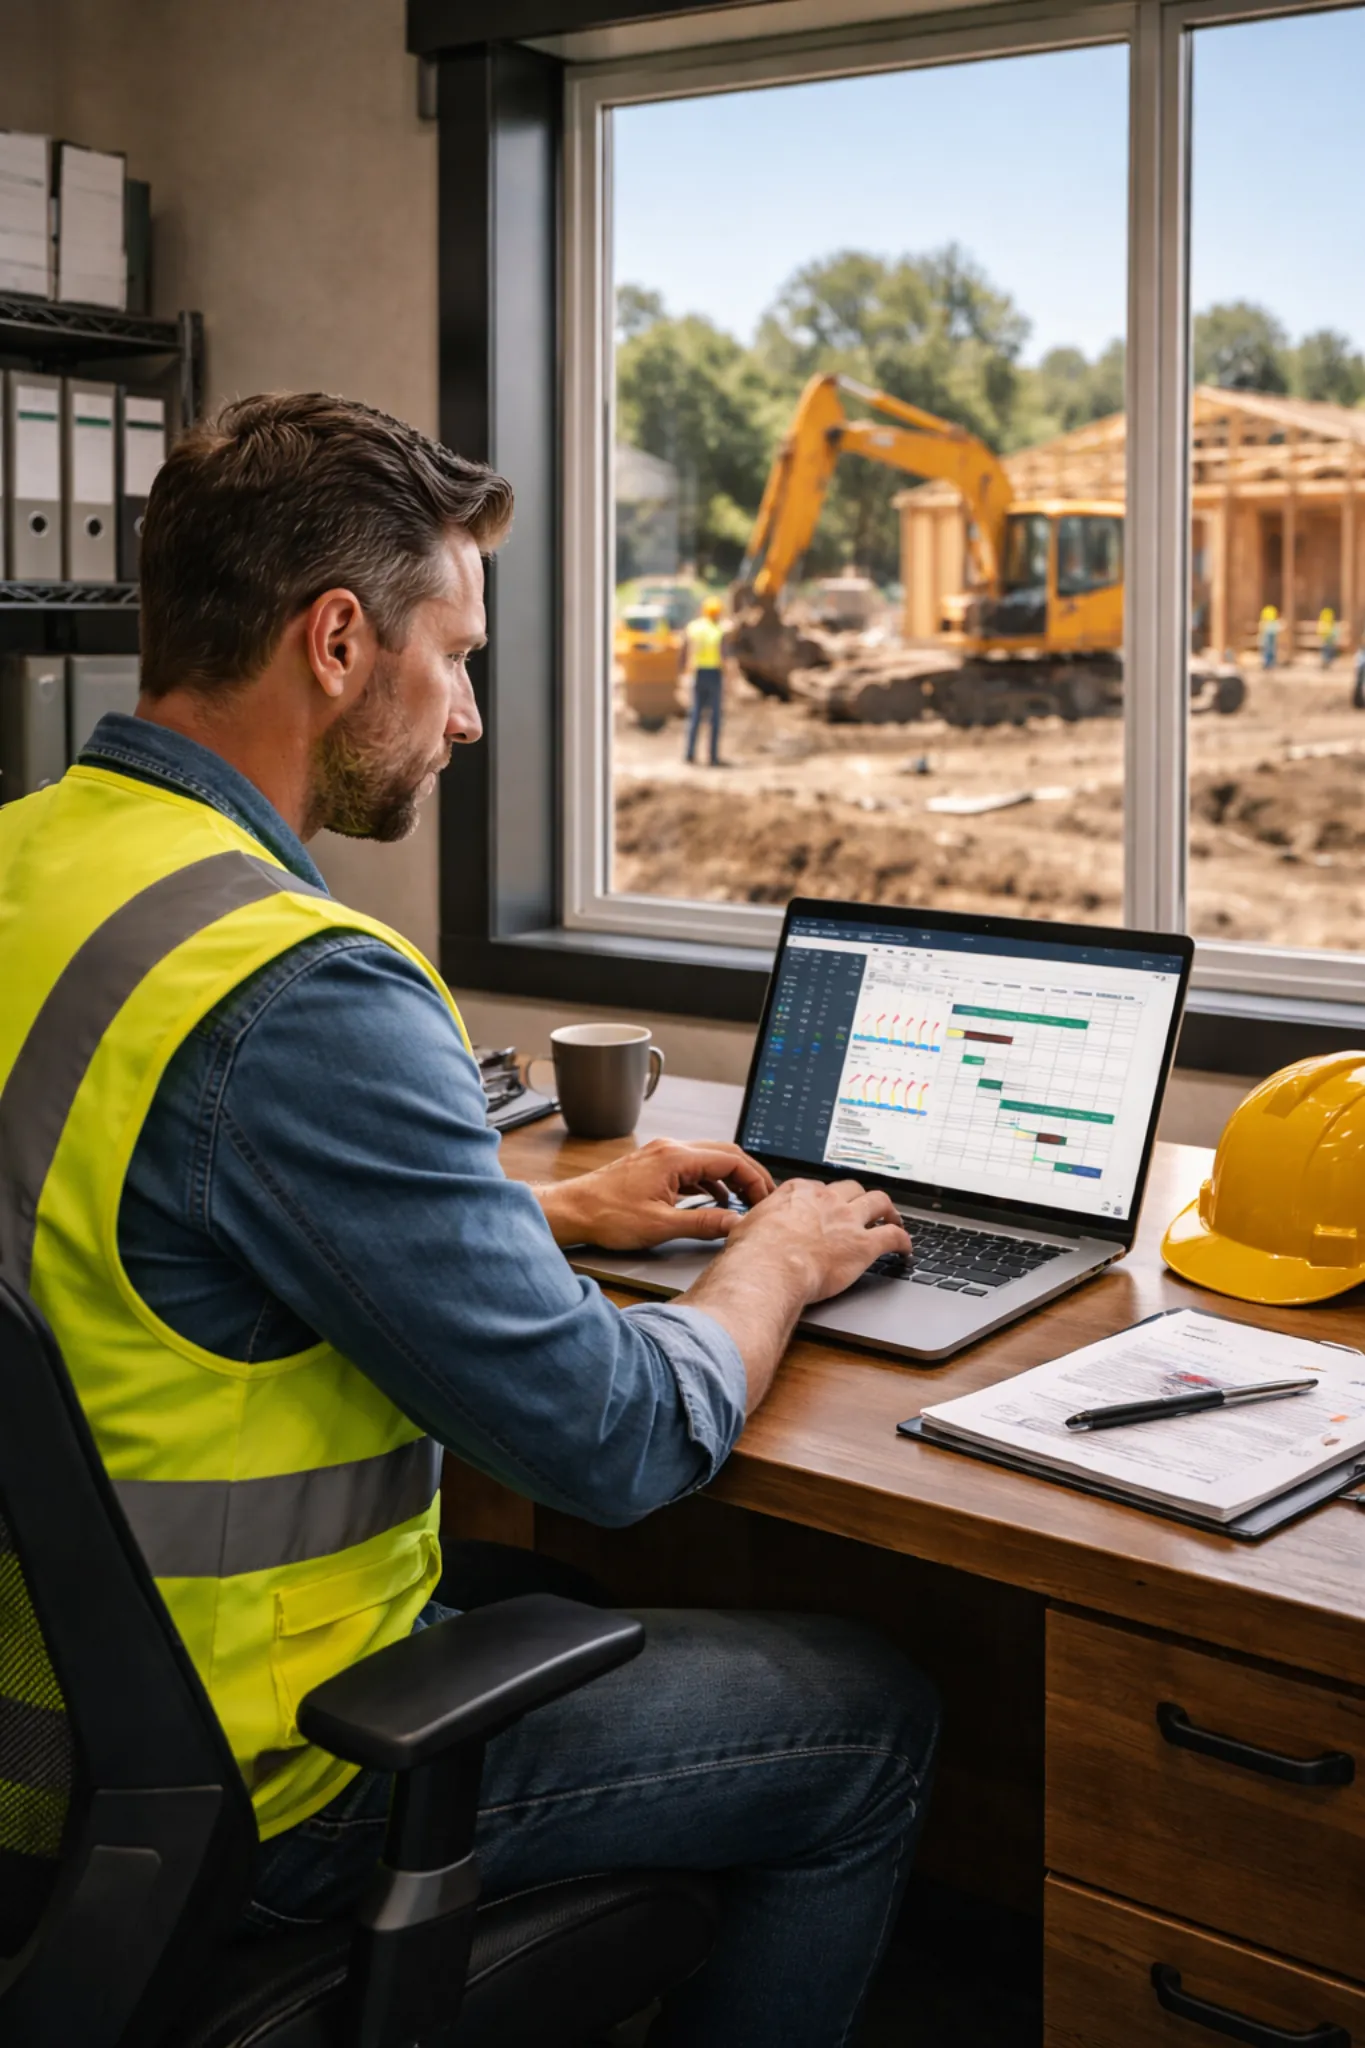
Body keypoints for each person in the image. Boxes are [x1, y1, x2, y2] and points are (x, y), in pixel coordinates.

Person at [0, 394, 938, 2048]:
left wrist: (540, 1209)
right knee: (874, 1718)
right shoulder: (299, 985)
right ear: (342, 640)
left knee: (530, 1586)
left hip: (33, 1722)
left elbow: (106, 1209)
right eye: (459, 652)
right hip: (256, 1771)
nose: (474, 715)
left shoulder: (36, 866)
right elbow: (615, 1441)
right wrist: (775, 1260)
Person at [681, 593, 727, 765]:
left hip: (697, 672)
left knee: (695, 715)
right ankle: (713, 757)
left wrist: (683, 672)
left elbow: (684, 650)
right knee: (714, 717)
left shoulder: (694, 627)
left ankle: (689, 754)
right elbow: (724, 655)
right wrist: (730, 679)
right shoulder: (718, 630)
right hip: (713, 674)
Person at [1260, 603, 1281, 671]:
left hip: (1268, 631)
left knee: (1269, 648)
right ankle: (1269, 663)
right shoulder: (1272, 610)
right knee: (1270, 648)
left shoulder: (1267, 610)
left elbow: (1263, 621)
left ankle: (1268, 663)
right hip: (1271, 632)